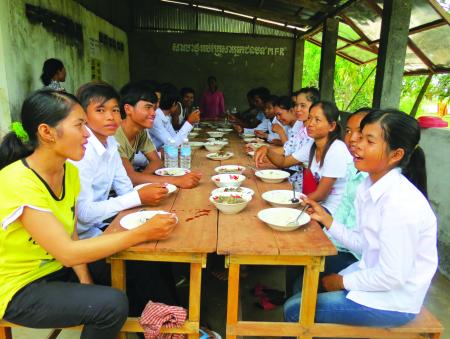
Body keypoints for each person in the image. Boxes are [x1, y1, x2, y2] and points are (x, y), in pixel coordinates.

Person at [0, 89, 178, 338]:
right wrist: (141, 232)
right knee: (111, 305)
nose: (86, 134)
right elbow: (67, 250)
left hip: (58, 268)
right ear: (46, 132)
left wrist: (85, 280)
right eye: (79, 125)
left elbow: (72, 235)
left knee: (140, 263)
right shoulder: (17, 181)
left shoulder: (67, 172)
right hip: (18, 287)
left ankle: (163, 329)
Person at [284, 109, 438, 327]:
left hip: (392, 302)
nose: (355, 142)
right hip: (371, 280)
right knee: (303, 287)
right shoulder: (369, 186)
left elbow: (392, 276)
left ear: (396, 155)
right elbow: (363, 244)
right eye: (357, 135)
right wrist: (327, 220)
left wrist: (342, 281)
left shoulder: (400, 203)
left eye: (369, 140)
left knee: (295, 309)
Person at [285, 108, 372, 297]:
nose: (352, 139)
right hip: (341, 239)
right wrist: (326, 224)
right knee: (294, 254)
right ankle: (290, 300)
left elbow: (367, 250)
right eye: (349, 132)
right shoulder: (355, 171)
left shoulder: (382, 190)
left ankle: (296, 309)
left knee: (300, 290)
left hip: (355, 257)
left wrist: (343, 280)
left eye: (366, 136)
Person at [73, 82, 169, 239]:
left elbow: (124, 187)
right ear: (83, 116)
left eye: (115, 110)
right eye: (100, 110)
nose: (110, 117)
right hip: (82, 236)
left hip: (100, 224)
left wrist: (142, 215)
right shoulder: (82, 151)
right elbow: (83, 214)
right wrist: (138, 198)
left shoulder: (110, 142)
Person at [115, 82, 202, 188]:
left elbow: (157, 161)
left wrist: (140, 179)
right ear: (128, 109)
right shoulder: (115, 135)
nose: (154, 113)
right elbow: (131, 177)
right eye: (147, 107)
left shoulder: (141, 132)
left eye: (154, 108)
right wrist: (176, 180)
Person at [254, 95, 314, 191]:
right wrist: (266, 151)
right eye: (296, 105)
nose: (297, 109)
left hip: (298, 181)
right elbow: (287, 148)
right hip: (295, 179)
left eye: (303, 105)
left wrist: (268, 149)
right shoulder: (302, 129)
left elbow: (285, 160)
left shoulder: (311, 136)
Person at [149, 84, 200, 150]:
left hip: (161, 156)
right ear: (174, 104)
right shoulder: (155, 118)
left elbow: (174, 138)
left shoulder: (166, 117)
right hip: (149, 158)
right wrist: (189, 122)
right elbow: (172, 145)